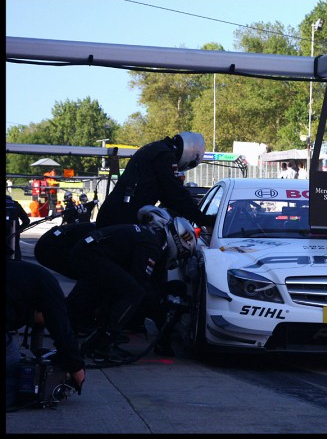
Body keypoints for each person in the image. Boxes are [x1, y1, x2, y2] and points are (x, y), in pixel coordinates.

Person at [67, 216, 196, 362]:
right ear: (177, 242)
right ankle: (104, 344)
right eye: (182, 254)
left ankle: (98, 341)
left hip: (88, 251)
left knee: (125, 290)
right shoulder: (152, 245)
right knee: (134, 292)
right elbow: (141, 281)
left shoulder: (153, 237)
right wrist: (161, 304)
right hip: (90, 255)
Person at [6, 259, 86, 407]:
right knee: (14, 371)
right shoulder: (46, 284)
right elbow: (61, 329)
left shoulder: (21, 277)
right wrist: (77, 368)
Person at [94, 132, 214, 229]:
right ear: (191, 153)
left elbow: (168, 195)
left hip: (116, 215)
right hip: (121, 220)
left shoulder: (156, 148)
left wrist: (194, 211)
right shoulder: (165, 155)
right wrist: (202, 219)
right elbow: (174, 193)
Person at [6, 194, 31, 261]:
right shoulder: (16, 204)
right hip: (14, 230)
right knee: (15, 248)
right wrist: (19, 229)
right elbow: (26, 221)